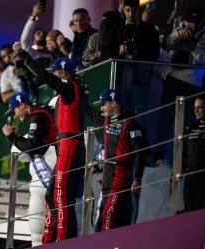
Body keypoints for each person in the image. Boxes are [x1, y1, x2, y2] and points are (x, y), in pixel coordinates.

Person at [14, 42, 88, 243]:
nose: (52, 76)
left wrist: (24, 55)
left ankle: (65, 240)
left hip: (70, 143)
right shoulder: (73, 89)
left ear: (64, 74)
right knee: (51, 196)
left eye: (55, 72)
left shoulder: (71, 87)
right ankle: (54, 238)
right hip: (66, 145)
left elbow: (44, 77)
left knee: (62, 196)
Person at [2, 92, 57, 246]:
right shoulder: (42, 111)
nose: (13, 116)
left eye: (14, 110)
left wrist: (12, 137)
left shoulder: (38, 115)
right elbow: (36, 145)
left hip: (54, 165)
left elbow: (32, 148)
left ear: (22, 105)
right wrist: (19, 138)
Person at [87, 89, 146, 231]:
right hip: (107, 173)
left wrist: (137, 178)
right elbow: (90, 113)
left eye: (103, 104)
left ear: (113, 103)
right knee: (103, 213)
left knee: (109, 214)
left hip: (121, 174)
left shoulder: (130, 124)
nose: (101, 108)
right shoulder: (106, 119)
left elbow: (140, 153)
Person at [182, 94, 205, 212]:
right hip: (190, 178)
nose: (195, 110)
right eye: (194, 107)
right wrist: (173, 180)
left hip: (203, 178)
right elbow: (183, 154)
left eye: (199, 107)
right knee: (189, 212)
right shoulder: (189, 128)